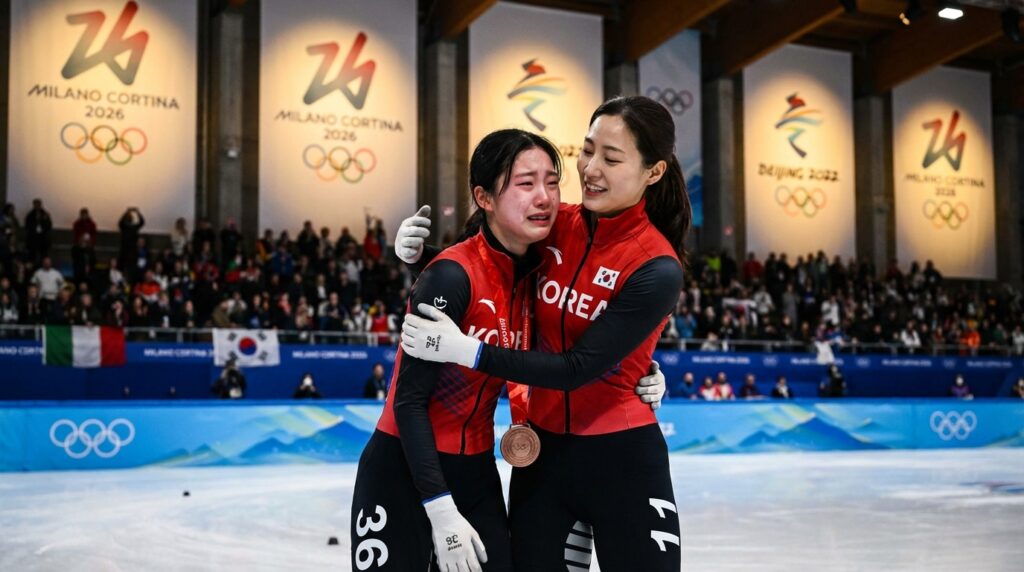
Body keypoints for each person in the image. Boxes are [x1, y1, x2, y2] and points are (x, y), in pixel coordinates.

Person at [352, 128, 669, 572]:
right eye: (525, 183)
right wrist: (440, 511)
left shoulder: (533, 273)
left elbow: (577, 332)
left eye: (552, 181)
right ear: (483, 197)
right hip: (405, 470)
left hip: (478, 473)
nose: (544, 196)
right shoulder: (450, 277)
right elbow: (408, 402)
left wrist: (640, 368)